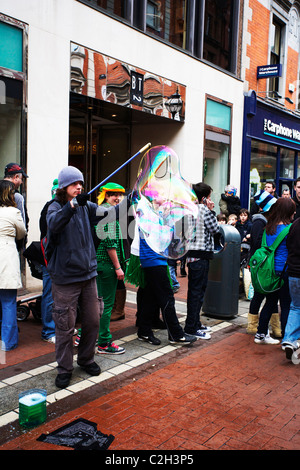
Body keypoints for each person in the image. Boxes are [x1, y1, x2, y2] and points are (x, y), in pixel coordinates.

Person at [46, 166, 128, 388]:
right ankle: (64, 368)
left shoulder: (86, 206)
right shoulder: (54, 207)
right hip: (65, 279)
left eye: (81, 183)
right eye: (74, 184)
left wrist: (123, 204)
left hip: (88, 275)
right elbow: (53, 225)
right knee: (65, 326)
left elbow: (107, 214)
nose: (79, 187)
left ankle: (86, 359)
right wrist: (72, 205)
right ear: (63, 188)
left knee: (92, 320)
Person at [254, 197, 296, 345]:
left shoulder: (268, 228)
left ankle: (260, 333)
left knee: (270, 303)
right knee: (286, 305)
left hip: (269, 271)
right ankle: (287, 338)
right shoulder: (289, 228)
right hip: (284, 271)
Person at [184, 182, 220, 340]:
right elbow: (215, 229)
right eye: (210, 196)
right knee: (197, 293)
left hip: (192, 255)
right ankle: (191, 327)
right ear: (205, 198)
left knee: (195, 292)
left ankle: (195, 323)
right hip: (201, 256)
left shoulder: (189, 209)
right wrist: (212, 211)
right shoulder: (204, 209)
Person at [95, 182, 126, 354]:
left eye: (119, 195)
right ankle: (104, 343)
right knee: (106, 305)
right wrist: (118, 267)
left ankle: (84, 335)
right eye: (113, 194)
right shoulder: (109, 212)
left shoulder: (100, 210)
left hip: (98, 264)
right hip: (107, 265)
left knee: (96, 304)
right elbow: (110, 243)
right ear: (105, 195)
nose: (117, 198)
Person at [247, 190, 278, 335]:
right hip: (261, 264)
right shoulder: (260, 222)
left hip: (265, 263)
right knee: (259, 294)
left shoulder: (267, 221)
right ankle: (252, 324)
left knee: (268, 294)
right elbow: (258, 243)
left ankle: (274, 325)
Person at [0, 180, 26, 351]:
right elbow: (22, 232)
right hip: (6, 256)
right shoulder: (13, 211)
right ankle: (7, 343)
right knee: (9, 301)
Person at [38, 179, 59, 344]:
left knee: (59, 296)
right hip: (51, 260)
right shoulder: (50, 208)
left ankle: (57, 327)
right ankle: (48, 331)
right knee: (50, 295)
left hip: (60, 260)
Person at [281, 216, 300, 359]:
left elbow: (288, 245)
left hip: (293, 271)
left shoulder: (295, 224)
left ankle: (289, 339)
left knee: (295, 307)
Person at [4, 162, 29, 250]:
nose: (21, 182)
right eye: (21, 179)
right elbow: (22, 227)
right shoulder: (17, 197)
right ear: (16, 177)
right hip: (11, 246)